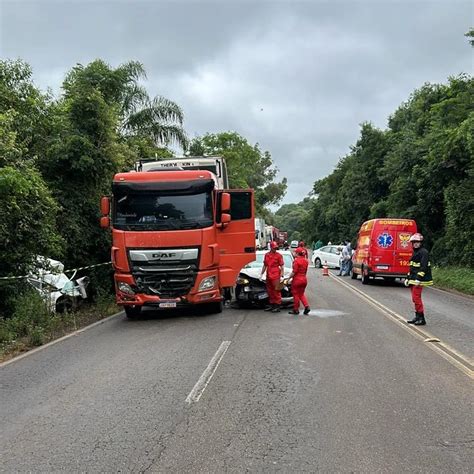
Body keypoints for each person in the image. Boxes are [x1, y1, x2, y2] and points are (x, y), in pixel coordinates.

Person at [405, 233, 433, 325]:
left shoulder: (424, 252)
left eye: (417, 242)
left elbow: (423, 267)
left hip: (419, 280)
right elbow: (412, 267)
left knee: (416, 298)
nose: (416, 244)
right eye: (414, 242)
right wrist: (408, 278)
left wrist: (418, 278)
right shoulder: (415, 252)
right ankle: (417, 317)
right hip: (413, 278)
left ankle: (421, 318)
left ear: (421, 243)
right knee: (414, 298)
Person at [260, 241, 284, 313]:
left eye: (276, 248)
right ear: (271, 247)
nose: (275, 249)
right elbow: (265, 265)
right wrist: (261, 274)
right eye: (274, 248)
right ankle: (272, 305)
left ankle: (277, 306)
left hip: (276, 274)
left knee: (276, 291)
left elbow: (282, 266)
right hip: (269, 274)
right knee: (270, 291)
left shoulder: (279, 255)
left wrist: (282, 275)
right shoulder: (267, 255)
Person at [288, 248, 311, 315]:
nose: (293, 253)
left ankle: (296, 309)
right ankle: (307, 306)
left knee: (295, 295)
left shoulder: (296, 261)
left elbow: (294, 272)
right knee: (301, 294)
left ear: (297, 253)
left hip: (297, 280)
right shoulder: (306, 261)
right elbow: (305, 271)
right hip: (304, 279)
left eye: (295, 252)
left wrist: (289, 278)